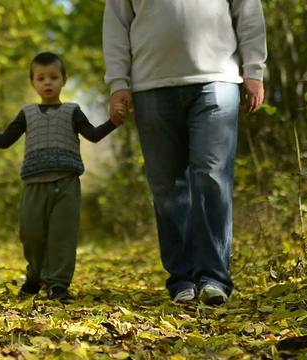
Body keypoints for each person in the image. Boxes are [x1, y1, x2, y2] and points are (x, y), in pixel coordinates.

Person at [103, 0, 267, 305]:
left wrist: (254, 70)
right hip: (151, 85)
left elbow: (248, 12)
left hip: (217, 79)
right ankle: (182, 279)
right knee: (167, 186)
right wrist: (117, 83)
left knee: (213, 177)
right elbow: (116, 26)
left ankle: (214, 277)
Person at [0, 52, 125, 301]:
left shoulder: (72, 111)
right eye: (41, 78)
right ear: (32, 83)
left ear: (63, 80)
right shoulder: (27, 113)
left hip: (67, 184)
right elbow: (5, 141)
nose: (47, 82)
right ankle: (35, 277)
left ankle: (58, 284)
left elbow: (93, 135)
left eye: (53, 77)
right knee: (31, 234)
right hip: (34, 185)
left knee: (62, 235)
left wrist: (113, 121)